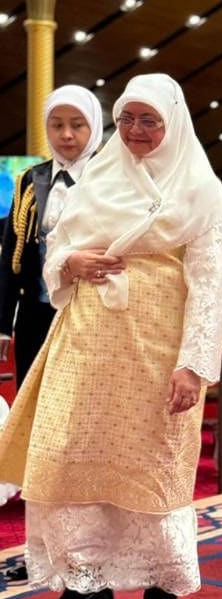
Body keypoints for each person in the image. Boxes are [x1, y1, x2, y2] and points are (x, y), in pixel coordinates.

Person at [0, 73, 222, 599]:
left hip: (158, 346)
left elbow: (209, 284)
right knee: (70, 450)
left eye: (148, 120)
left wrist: (194, 364)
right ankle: (86, 584)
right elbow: (57, 250)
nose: (135, 131)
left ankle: (162, 584)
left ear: (172, 122)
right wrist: (70, 265)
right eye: (127, 118)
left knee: (152, 460)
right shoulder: (99, 176)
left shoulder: (199, 190)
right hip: (87, 337)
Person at [0, 85, 103, 387]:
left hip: (90, 311)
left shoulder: (110, 176)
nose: (66, 134)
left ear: (94, 126)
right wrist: (4, 325)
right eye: (57, 125)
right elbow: (11, 257)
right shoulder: (31, 179)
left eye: (77, 124)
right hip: (35, 313)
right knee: (33, 400)